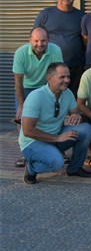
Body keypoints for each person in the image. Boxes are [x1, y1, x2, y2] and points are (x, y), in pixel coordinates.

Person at [20, 62, 91, 184]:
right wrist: (57, 138)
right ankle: (31, 168)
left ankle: (74, 168)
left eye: (68, 77)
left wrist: (77, 115)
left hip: (55, 137)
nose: (67, 80)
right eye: (62, 77)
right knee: (57, 163)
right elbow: (27, 130)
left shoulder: (67, 93)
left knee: (86, 129)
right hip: (33, 143)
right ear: (49, 78)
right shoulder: (36, 97)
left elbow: (76, 113)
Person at [12, 28, 64, 167]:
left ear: (48, 40)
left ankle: (50, 149)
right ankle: (26, 153)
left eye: (43, 40)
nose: (39, 44)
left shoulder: (55, 50)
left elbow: (58, 75)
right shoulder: (21, 53)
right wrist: (21, 105)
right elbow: (18, 81)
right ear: (30, 40)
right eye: (36, 41)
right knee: (23, 120)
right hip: (27, 88)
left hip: (47, 87)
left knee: (51, 117)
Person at [34, 0, 85, 94]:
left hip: (75, 66)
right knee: (52, 96)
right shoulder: (45, 14)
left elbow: (86, 39)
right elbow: (35, 38)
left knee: (72, 96)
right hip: (51, 67)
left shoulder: (82, 16)